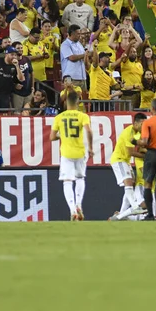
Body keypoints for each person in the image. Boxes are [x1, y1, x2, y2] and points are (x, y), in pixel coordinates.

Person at [50, 91, 93, 221]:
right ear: (78, 102)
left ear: (65, 102)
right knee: (80, 178)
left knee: (67, 181)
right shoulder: (82, 116)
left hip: (66, 153)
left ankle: (72, 209)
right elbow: (89, 130)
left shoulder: (59, 117)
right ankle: (79, 204)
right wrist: (90, 147)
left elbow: (52, 137)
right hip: (80, 151)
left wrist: (62, 135)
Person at [109, 113, 148, 221]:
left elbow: (142, 147)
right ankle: (135, 207)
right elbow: (131, 152)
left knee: (131, 184)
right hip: (119, 159)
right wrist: (147, 156)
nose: (143, 126)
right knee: (128, 182)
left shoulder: (139, 133)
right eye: (142, 124)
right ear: (135, 123)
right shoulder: (129, 132)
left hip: (126, 162)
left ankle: (121, 215)